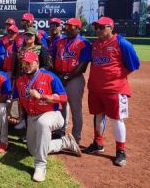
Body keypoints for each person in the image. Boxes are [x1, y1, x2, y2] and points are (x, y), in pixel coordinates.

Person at [13, 51, 81, 182]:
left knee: (43, 123)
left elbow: (63, 97)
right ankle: (64, 142)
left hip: (52, 115)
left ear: (37, 63)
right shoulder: (20, 81)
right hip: (32, 117)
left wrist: (43, 96)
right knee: (33, 150)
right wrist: (15, 115)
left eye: (29, 63)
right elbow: (16, 100)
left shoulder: (49, 77)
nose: (26, 66)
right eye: (24, 63)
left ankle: (40, 165)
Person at [84, 17, 140, 167]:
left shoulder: (122, 43)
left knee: (117, 119)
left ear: (110, 27)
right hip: (96, 88)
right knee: (98, 115)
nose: (98, 30)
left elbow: (134, 65)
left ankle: (120, 151)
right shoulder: (95, 44)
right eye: (96, 27)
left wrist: (115, 78)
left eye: (101, 27)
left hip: (115, 90)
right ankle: (98, 143)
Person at [52, 18, 91, 142]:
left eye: (72, 27)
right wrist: (58, 75)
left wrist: (68, 77)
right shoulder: (60, 42)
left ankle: (76, 136)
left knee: (75, 108)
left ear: (78, 29)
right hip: (59, 77)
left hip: (74, 78)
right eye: (67, 27)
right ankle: (60, 131)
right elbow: (52, 59)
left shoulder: (83, 43)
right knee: (61, 106)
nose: (68, 30)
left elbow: (83, 65)